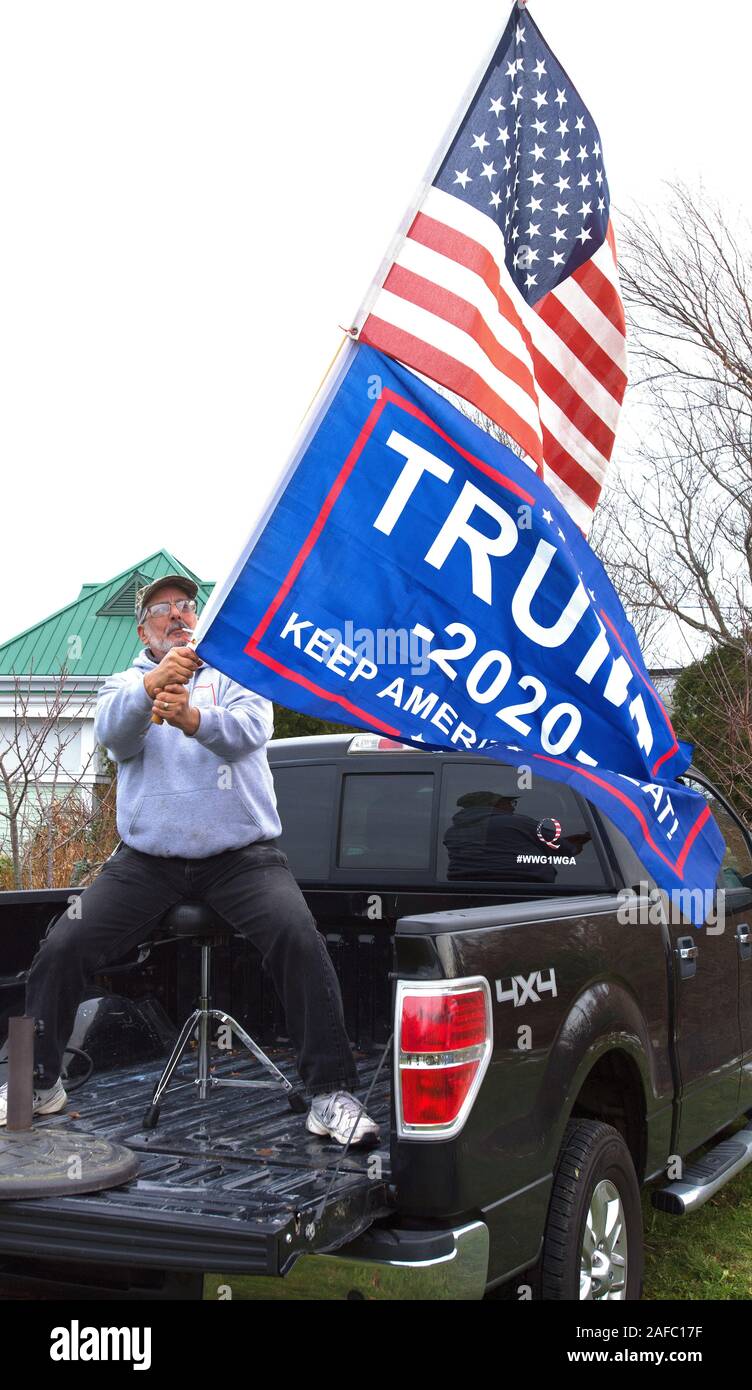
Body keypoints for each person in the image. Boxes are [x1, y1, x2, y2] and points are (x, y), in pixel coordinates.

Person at [0, 576, 378, 1146]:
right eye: (162, 610)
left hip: (240, 855)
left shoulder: (235, 670)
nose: (177, 616)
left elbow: (252, 732)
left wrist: (192, 720)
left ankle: (330, 1094)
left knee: (298, 936)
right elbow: (114, 737)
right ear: (142, 628)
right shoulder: (122, 683)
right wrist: (151, 687)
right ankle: (38, 1083)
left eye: (185, 606)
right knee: (62, 945)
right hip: (147, 858)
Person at [444, 789, 590, 882]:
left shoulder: (452, 832)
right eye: (508, 802)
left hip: (464, 887)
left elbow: (500, 848)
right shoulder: (515, 822)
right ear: (493, 805)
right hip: (525, 887)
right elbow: (564, 849)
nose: (512, 807)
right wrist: (581, 842)